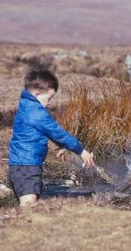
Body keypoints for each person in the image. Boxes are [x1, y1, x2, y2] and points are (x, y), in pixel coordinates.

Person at [8, 68, 95, 207]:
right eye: (49, 98)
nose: (49, 103)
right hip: (26, 165)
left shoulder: (26, 105)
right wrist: (80, 150)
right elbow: (57, 132)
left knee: (31, 203)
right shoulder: (36, 112)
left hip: (21, 164)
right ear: (37, 94)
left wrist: (62, 146)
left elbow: (45, 132)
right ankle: (22, 226)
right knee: (28, 205)